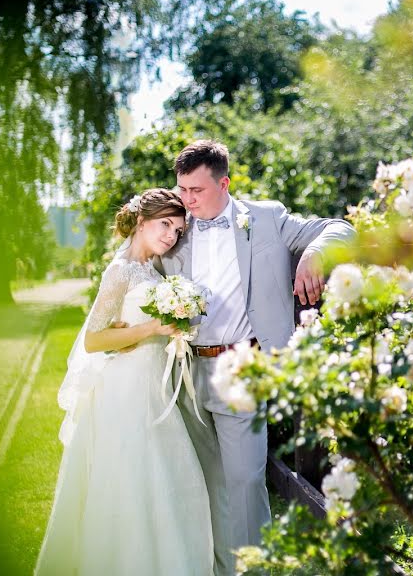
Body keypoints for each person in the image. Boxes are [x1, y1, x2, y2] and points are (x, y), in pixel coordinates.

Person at [160, 139, 355, 575]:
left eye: (197, 190)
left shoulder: (265, 218)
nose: (187, 199)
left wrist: (313, 254)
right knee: (205, 484)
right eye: (182, 189)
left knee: (246, 481)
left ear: (224, 183)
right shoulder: (177, 226)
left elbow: (342, 228)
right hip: (184, 370)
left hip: (242, 367)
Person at [36, 188, 212, 575]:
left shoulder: (153, 270)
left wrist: (169, 329)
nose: (171, 236)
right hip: (125, 390)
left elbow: (131, 330)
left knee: (164, 478)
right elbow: (93, 339)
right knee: (130, 478)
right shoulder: (120, 271)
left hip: (152, 384)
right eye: (165, 224)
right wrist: (150, 327)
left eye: (178, 231)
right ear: (141, 221)